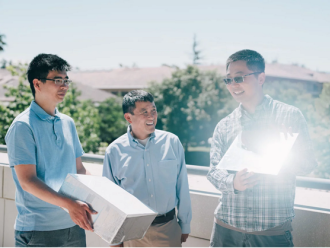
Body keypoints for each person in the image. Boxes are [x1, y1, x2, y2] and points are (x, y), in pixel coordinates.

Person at [206, 49, 317, 247]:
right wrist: (233, 182)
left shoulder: (289, 116)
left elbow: (308, 165)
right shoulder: (224, 125)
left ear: (261, 78)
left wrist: (289, 152)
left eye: (239, 78)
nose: (233, 85)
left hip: (271, 233)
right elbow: (213, 172)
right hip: (226, 232)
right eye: (228, 80)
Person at [5, 54, 96, 247]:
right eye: (57, 80)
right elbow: (28, 181)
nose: (64, 86)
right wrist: (69, 205)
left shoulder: (68, 123)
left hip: (74, 223)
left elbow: (79, 169)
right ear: (37, 84)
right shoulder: (22, 126)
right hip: (38, 231)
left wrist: (103, 192)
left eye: (65, 80)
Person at [103, 90, 192, 247]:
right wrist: (115, 238)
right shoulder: (114, 151)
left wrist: (185, 224)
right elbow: (110, 200)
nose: (151, 116)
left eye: (153, 110)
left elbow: (182, 186)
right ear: (128, 117)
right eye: (144, 112)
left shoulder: (172, 142)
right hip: (132, 231)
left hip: (168, 228)